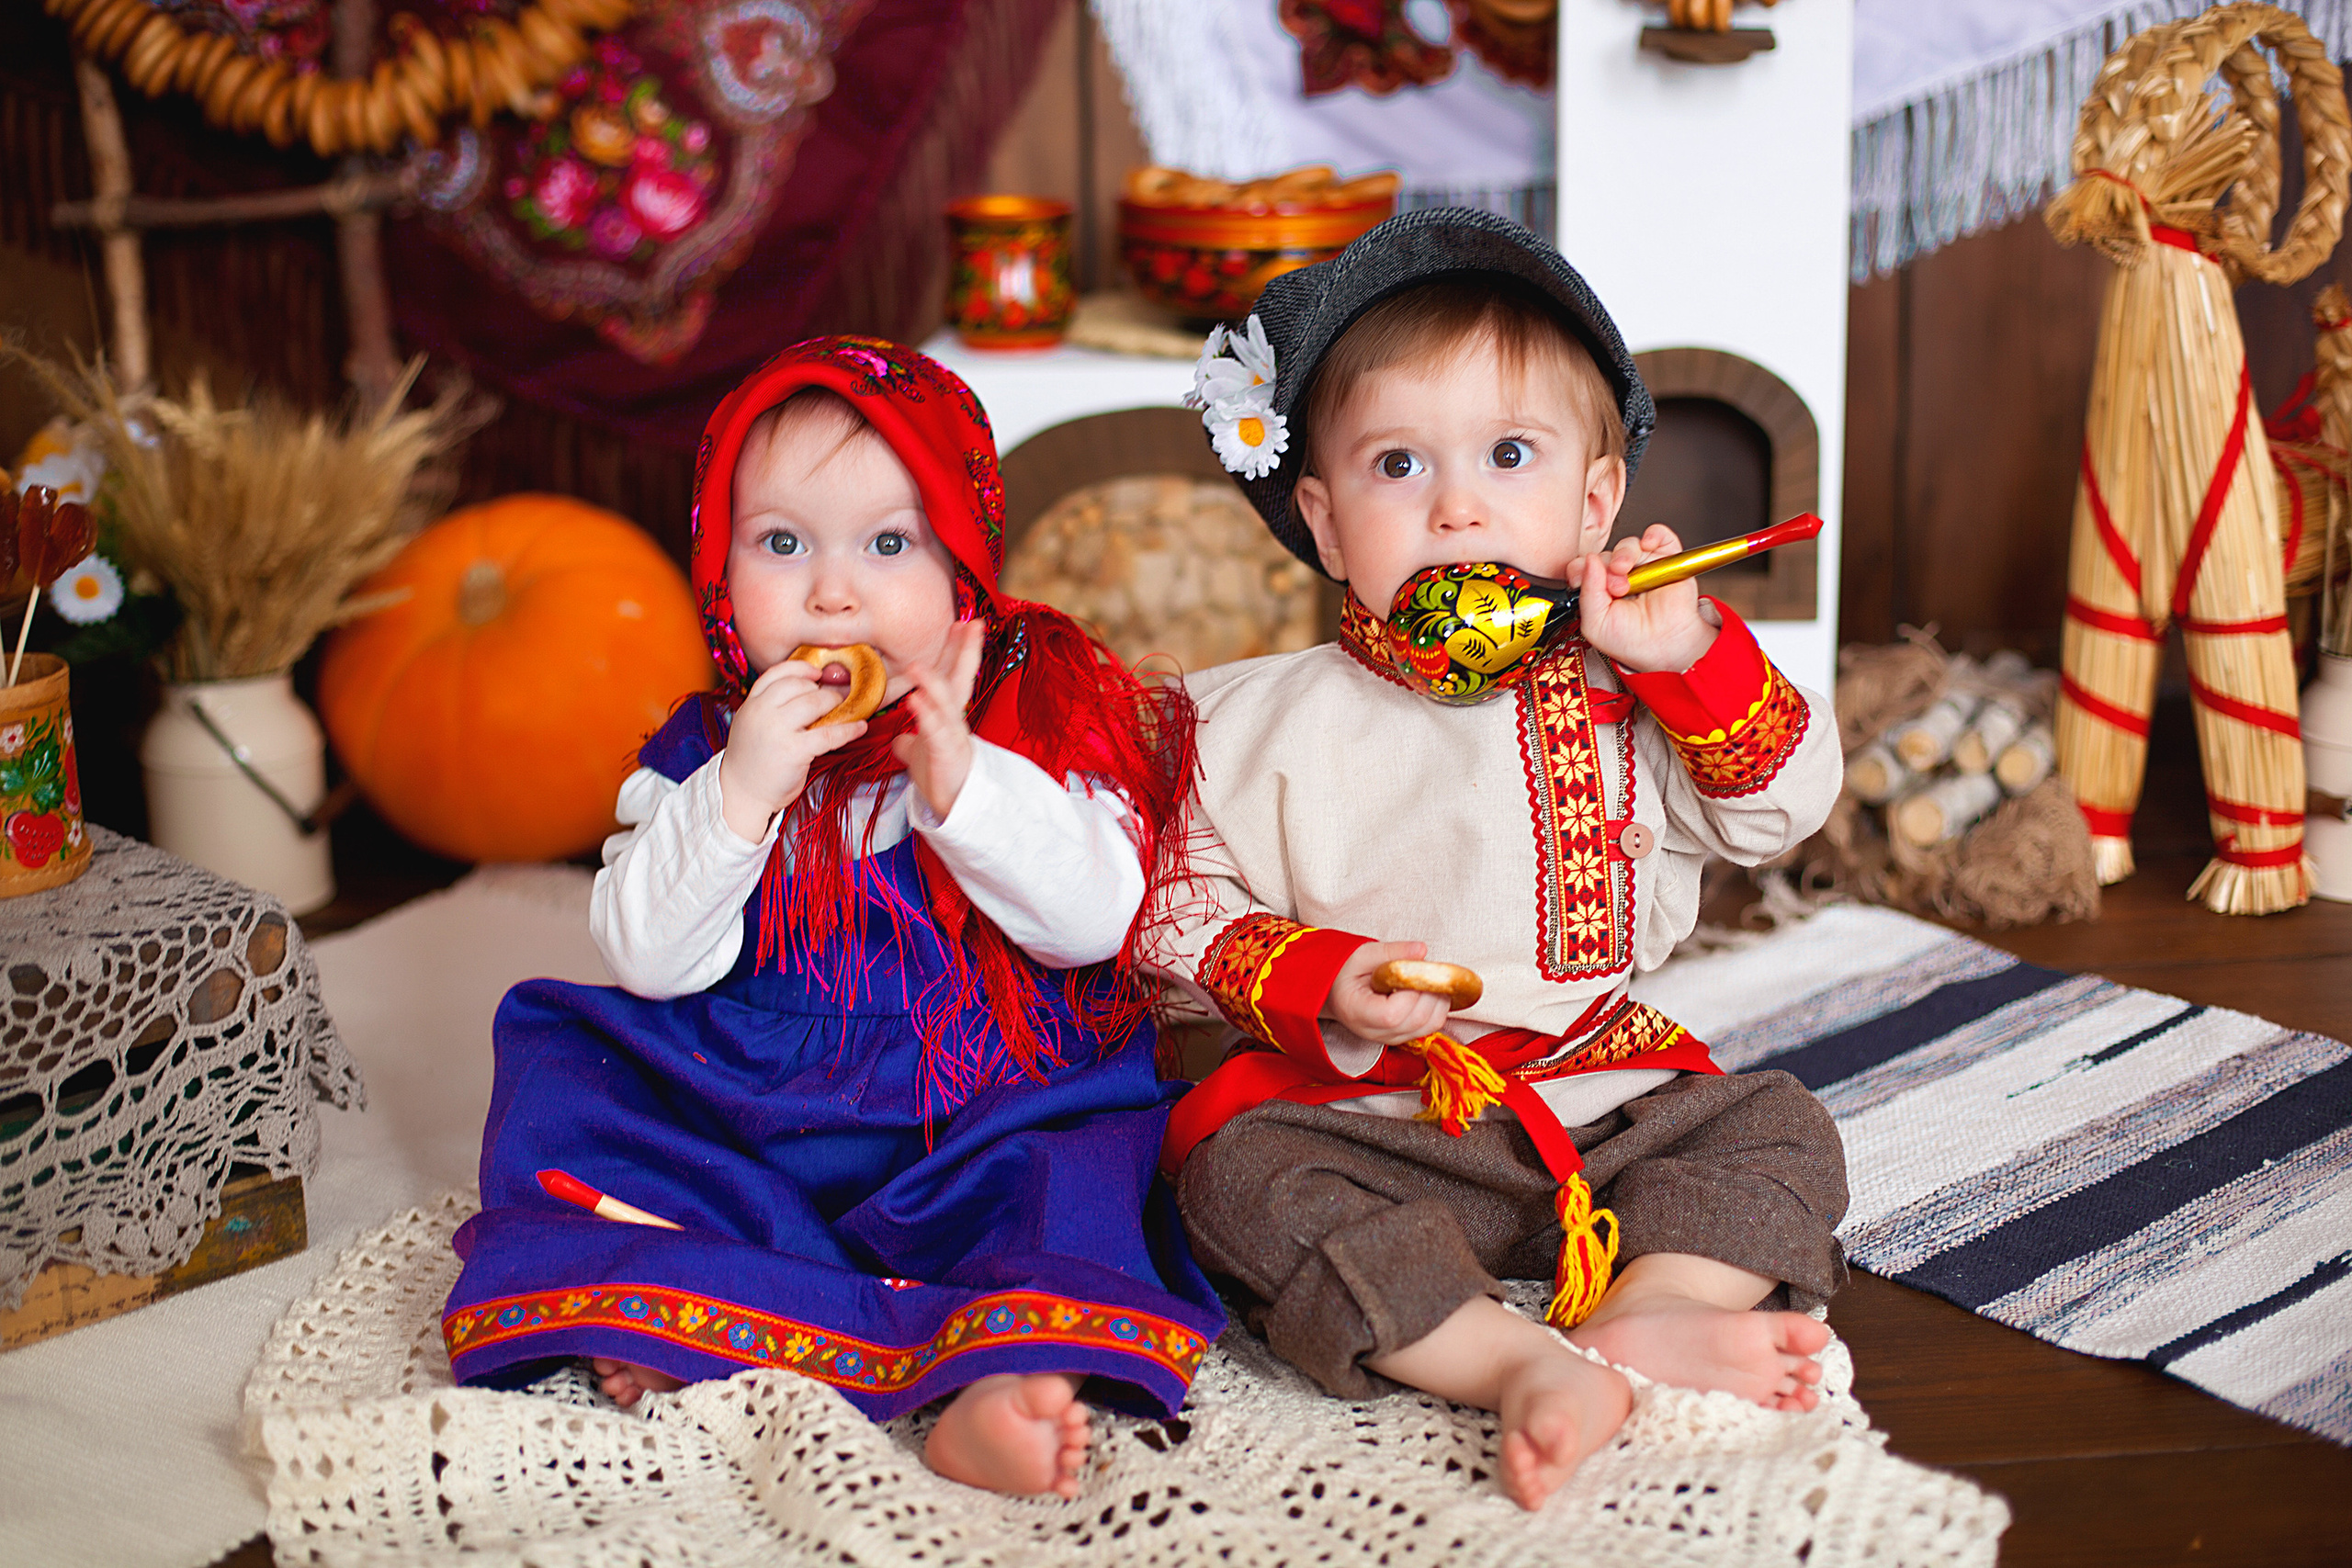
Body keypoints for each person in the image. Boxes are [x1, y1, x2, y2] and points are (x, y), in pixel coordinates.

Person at [440, 336, 1226, 1501]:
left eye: (889, 545)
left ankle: (1002, 1379)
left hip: (970, 1100)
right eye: (781, 543)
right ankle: (683, 1308)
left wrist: (967, 789)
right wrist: (741, 794)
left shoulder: (1026, 722)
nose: (831, 593)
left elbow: (1095, 923)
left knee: (1075, 1172)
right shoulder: (707, 751)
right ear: (717, 565)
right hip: (750, 1100)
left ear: (965, 566)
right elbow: (651, 960)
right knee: (576, 1087)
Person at [1148, 210, 1849, 1511]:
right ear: (1324, 519)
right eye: (1398, 463)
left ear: (1594, 502)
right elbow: (1167, 907)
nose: (1457, 505)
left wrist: (1690, 663)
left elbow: (1785, 809)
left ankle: (1656, 1305)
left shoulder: (1639, 689)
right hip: (1376, 1125)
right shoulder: (1250, 722)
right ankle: (1506, 1357)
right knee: (1229, 1177)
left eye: (1509, 456)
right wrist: (1320, 976)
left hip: (1608, 1104)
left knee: (1778, 1126)